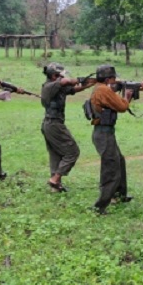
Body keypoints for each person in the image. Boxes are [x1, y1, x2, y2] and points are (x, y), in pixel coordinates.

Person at [88, 64, 143, 214]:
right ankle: (100, 206)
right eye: (113, 78)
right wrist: (128, 95)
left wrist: (131, 88)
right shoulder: (103, 90)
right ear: (108, 79)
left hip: (105, 133)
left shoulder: (101, 88)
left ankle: (119, 195)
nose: (115, 81)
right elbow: (122, 106)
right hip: (104, 133)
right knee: (111, 169)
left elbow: (112, 95)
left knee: (119, 161)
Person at [40, 62, 95, 192]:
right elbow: (67, 82)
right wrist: (79, 79)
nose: (62, 77)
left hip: (51, 124)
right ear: (54, 76)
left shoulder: (56, 86)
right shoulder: (50, 86)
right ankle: (55, 179)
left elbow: (73, 89)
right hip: (53, 124)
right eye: (59, 75)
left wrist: (91, 82)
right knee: (72, 152)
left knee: (56, 154)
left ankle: (56, 186)